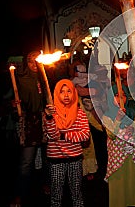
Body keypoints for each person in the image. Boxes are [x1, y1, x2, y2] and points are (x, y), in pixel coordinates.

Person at [10, 50, 49, 207]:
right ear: (27, 63)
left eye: (37, 61)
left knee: (47, 159)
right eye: (31, 61)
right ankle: (20, 194)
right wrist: (15, 105)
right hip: (29, 122)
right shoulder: (22, 78)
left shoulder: (44, 76)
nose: (34, 65)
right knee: (27, 162)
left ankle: (47, 184)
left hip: (44, 119)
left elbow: (48, 96)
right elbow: (17, 99)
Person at [44, 79, 90, 207]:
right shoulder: (50, 113)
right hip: (56, 159)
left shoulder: (79, 113)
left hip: (75, 158)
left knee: (77, 192)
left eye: (69, 91)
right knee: (56, 194)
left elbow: (85, 135)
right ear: (56, 94)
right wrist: (48, 117)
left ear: (74, 93)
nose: (65, 95)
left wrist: (64, 135)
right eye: (62, 92)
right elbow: (52, 135)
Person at [101, 84, 135, 207]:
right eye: (117, 95)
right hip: (117, 159)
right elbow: (111, 134)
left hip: (132, 156)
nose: (121, 99)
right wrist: (117, 119)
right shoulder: (107, 116)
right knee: (120, 184)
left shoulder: (132, 112)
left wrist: (133, 129)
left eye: (123, 95)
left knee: (133, 183)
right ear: (111, 97)